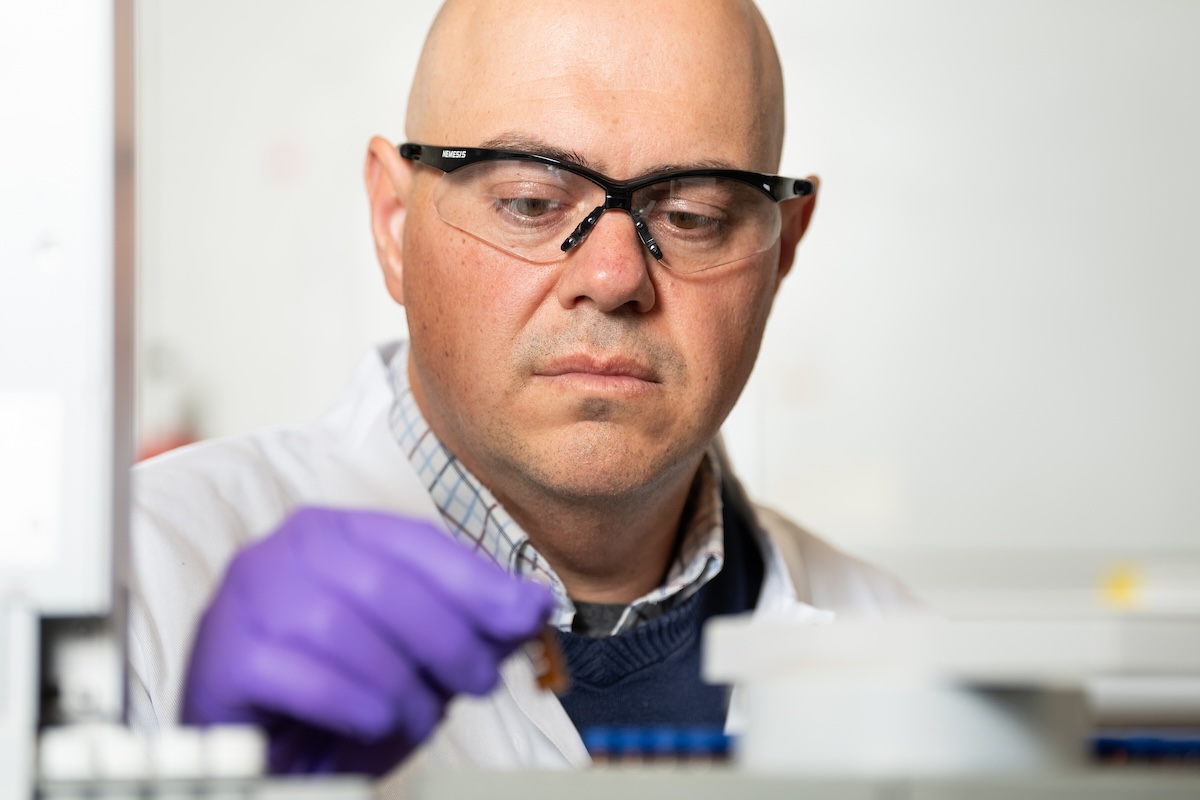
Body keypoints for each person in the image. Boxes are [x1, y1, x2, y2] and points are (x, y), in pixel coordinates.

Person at [127, 0, 918, 791]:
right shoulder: (138, 591)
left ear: (783, 248)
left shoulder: (901, 657)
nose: (612, 279)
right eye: (533, 203)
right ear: (395, 223)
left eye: (693, 215)